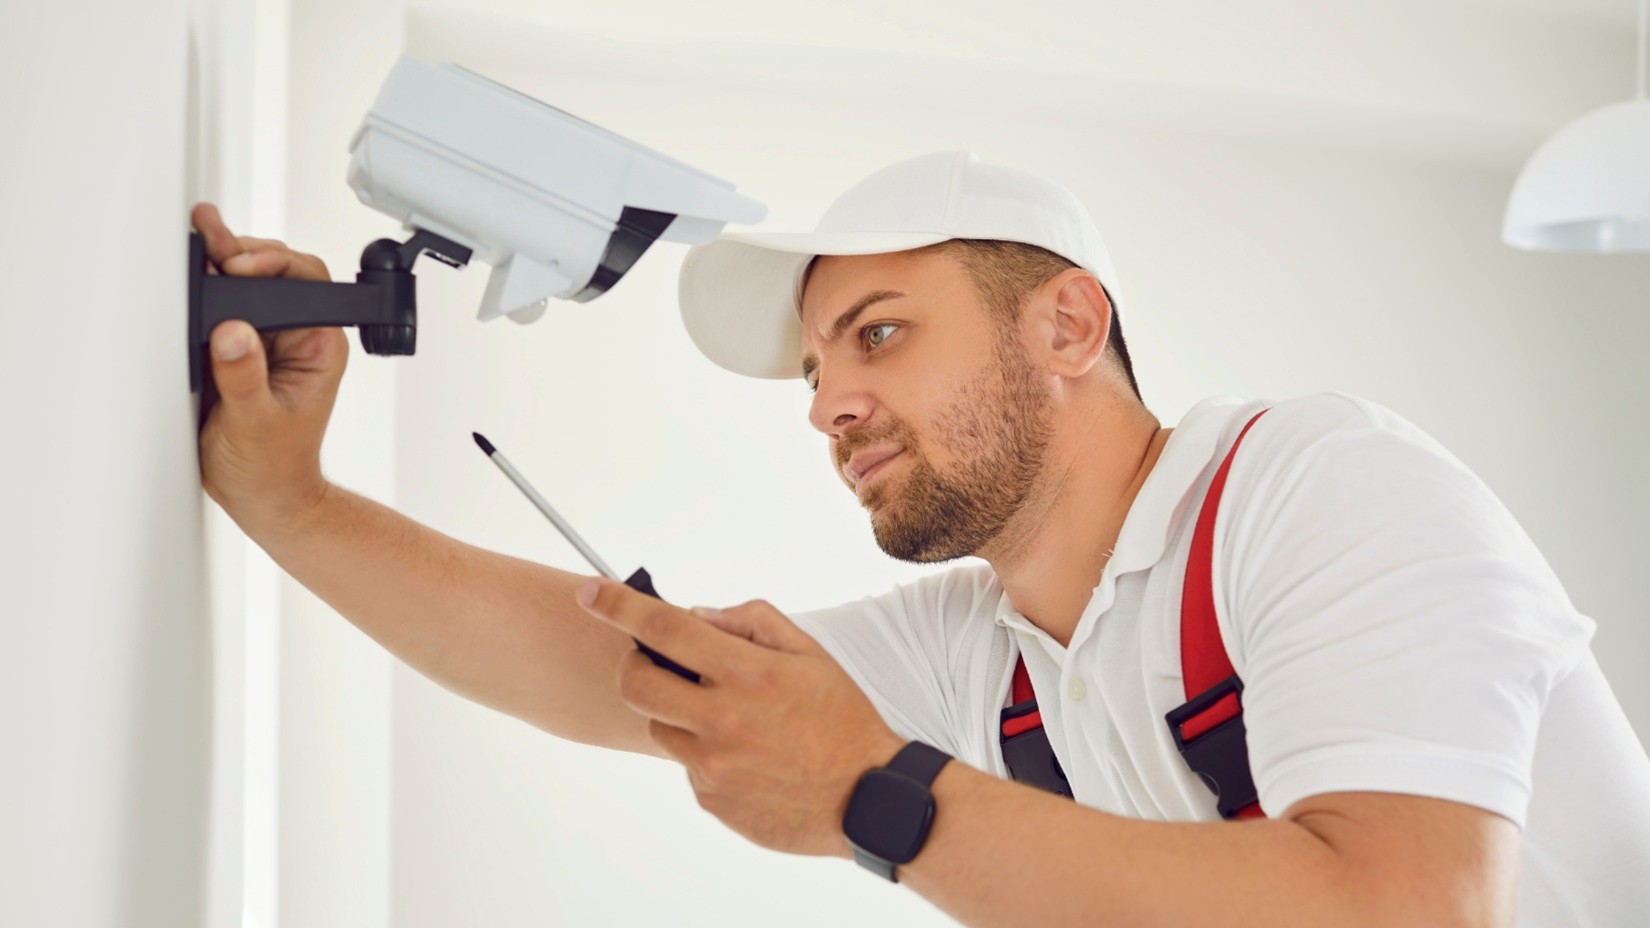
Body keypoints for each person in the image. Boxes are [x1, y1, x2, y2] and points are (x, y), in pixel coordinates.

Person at [194, 151, 1650, 928]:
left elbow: (1405, 915)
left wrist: (876, 795)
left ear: (1067, 324)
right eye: (818, 372)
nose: (831, 404)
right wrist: (286, 497)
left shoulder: (1314, 489)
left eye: (877, 336)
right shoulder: (986, 657)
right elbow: (619, 674)